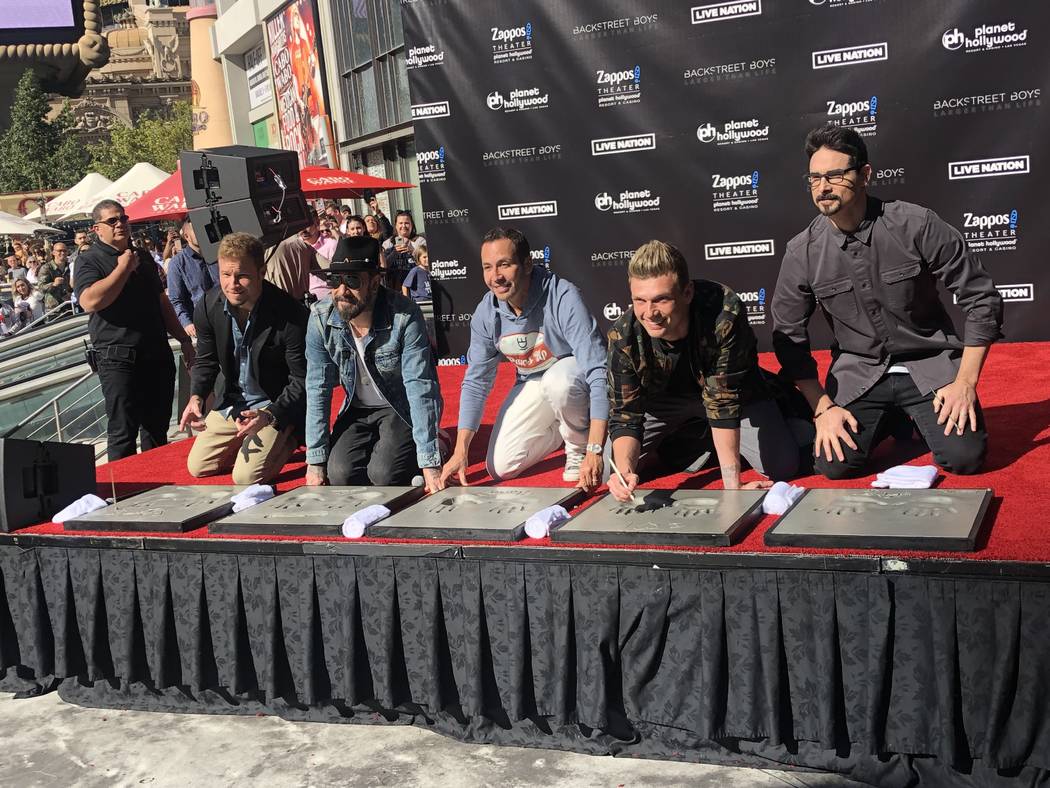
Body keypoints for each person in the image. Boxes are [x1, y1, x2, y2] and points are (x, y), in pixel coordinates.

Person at [772, 124, 1003, 478]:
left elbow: (981, 298)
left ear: (864, 174)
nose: (823, 187)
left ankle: (913, 415)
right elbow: (787, 336)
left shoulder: (916, 224)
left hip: (930, 364)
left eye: (835, 175)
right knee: (835, 466)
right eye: (815, 178)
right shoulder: (802, 251)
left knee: (964, 459)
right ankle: (894, 417)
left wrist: (965, 383)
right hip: (859, 371)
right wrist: (822, 408)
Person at [605, 241, 806, 501]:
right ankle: (699, 441)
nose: (649, 313)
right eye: (639, 301)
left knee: (782, 466)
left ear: (687, 293)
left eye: (661, 300)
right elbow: (625, 416)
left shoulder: (724, 312)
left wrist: (732, 485)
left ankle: (778, 405)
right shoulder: (623, 334)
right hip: (663, 403)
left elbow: (723, 401)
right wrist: (625, 475)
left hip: (734, 393)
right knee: (608, 472)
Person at [440, 227, 608, 489]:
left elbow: (597, 370)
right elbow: (475, 383)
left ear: (527, 264)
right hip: (533, 384)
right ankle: (563, 430)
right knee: (501, 468)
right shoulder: (486, 312)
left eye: (504, 265)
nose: (496, 277)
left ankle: (578, 445)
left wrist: (595, 448)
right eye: (488, 267)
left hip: (574, 381)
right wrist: (460, 450)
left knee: (559, 380)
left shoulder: (562, 296)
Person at [304, 235, 445, 489]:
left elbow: (419, 385)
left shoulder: (405, 316)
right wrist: (315, 463)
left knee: (383, 475)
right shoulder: (319, 318)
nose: (341, 291)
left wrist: (430, 463)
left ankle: (434, 439)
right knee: (339, 475)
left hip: (400, 406)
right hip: (356, 409)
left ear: (375, 282)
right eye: (334, 280)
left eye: (353, 280)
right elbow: (317, 389)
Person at [179, 233, 308, 485]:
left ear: (261, 272)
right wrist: (196, 397)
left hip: (273, 403)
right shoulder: (208, 304)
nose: (232, 284)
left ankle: (290, 436)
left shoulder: (291, 314)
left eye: (242, 275)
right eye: (225, 275)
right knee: (199, 467)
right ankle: (250, 439)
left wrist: (271, 414)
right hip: (233, 402)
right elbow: (206, 359)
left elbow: (302, 379)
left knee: (245, 478)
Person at [74, 199, 195, 461]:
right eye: (112, 221)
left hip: (155, 353)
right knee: (122, 431)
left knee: (157, 428)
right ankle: (123, 494)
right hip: (117, 358)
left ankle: (158, 484)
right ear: (97, 229)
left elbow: (162, 301)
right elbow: (90, 301)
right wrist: (122, 268)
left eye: (124, 218)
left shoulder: (141, 257)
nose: (121, 224)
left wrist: (184, 340)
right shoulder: (89, 260)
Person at [167, 217, 218, 339]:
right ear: (187, 236)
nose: (201, 233)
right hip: (203, 324)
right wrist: (187, 323)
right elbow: (176, 299)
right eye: (196, 230)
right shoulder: (178, 263)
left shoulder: (218, 253)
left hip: (228, 316)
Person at [266, 206, 320, 302]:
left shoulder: (264, 246)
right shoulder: (301, 245)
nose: (303, 230)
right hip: (298, 305)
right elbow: (328, 272)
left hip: (278, 304)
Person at [381, 210, 426, 289]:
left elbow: (426, 263)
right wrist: (394, 253)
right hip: (394, 286)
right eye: (400, 223)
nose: (404, 226)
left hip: (416, 284)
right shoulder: (387, 243)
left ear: (412, 225)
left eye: (407, 223)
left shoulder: (420, 241)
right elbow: (384, 266)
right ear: (396, 226)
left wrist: (412, 250)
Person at [36, 241, 72, 311]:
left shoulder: (71, 266)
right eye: (59, 251)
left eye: (65, 250)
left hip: (70, 306)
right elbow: (41, 288)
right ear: (53, 253)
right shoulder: (46, 268)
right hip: (54, 309)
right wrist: (54, 284)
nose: (63, 253)